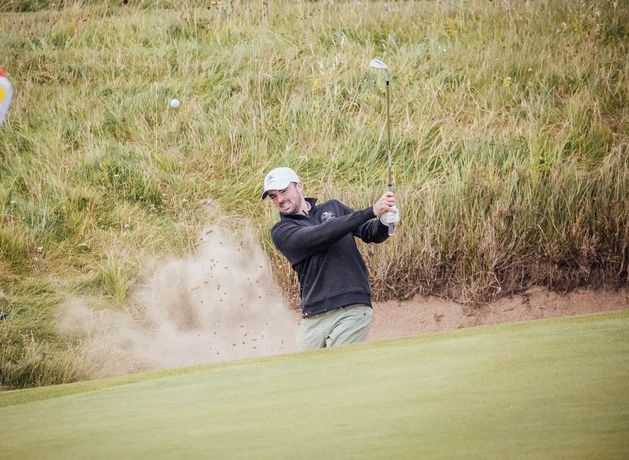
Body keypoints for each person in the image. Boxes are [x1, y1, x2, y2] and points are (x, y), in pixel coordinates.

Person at [262, 166, 400, 350]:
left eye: (283, 191)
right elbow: (320, 234)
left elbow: (370, 232)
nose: (279, 199)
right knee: (304, 374)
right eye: (273, 196)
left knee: (337, 365)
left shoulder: (334, 207)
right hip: (313, 316)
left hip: (352, 305)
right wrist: (370, 211)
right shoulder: (281, 231)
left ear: (299, 186)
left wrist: (384, 221)